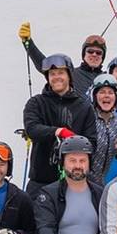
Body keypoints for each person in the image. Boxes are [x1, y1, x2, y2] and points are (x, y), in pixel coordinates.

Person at [21, 53, 99, 192]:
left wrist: (75, 142)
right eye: (52, 74)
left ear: (69, 75)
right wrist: (58, 132)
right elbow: (32, 129)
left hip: (74, 182)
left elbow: (92, 142)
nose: (56, 77)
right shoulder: (36, 103)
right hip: (40, 182)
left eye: (61, 73)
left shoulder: (84, 107)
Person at [20, 23, 108, 97]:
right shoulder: (71, 74)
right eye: (90, 51)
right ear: (84, 54)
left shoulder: (108, 78)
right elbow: (44, 64)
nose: (94, 55)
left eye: (99, 53)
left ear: (102, 57)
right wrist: (28, 43)